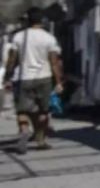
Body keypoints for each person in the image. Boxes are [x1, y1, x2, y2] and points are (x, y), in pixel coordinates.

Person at [3, 8, 64, 153]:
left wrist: (7, 76)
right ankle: (41, 140)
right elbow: (54, 62)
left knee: (22, 110)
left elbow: (12, 60)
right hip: (44, 78)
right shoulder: (49, 38)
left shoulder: (18, 37)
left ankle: (24, 129)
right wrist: (59, 81)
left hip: (23, 78)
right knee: (43, 111)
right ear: (42, 21)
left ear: (28, 20)